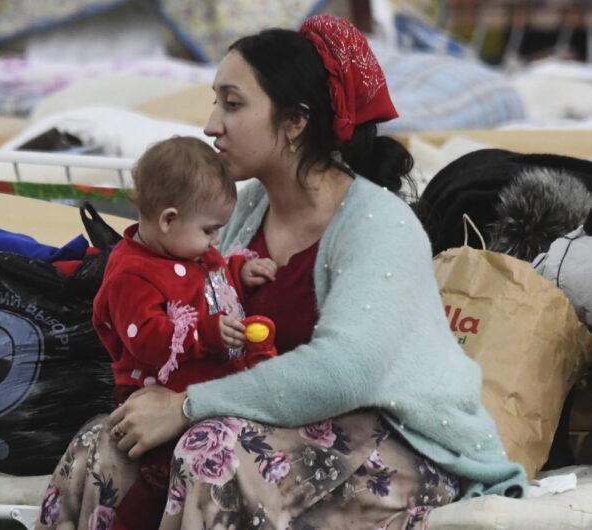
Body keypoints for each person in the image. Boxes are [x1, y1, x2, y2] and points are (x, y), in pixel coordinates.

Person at [36, 14, 527, 530]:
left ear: (294, 122)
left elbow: (344, 372)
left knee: (215, 452)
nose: (211, 125)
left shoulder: (379, 225)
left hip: (399, 443)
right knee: (105, 445)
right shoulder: (240, 214)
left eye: (232, 103)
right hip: (268, 426)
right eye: (215, 102)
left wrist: (186, 405)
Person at [93, 136, 279, 527]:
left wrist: (239, 275)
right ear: (168, 219)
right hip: (153, 392)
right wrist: (206, 334)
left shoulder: (192, 250)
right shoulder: (132, 273)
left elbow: (213, 288)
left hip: (203, 386)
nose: (216, 242)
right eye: (211, 230)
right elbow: (146, 339)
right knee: (162, 473)